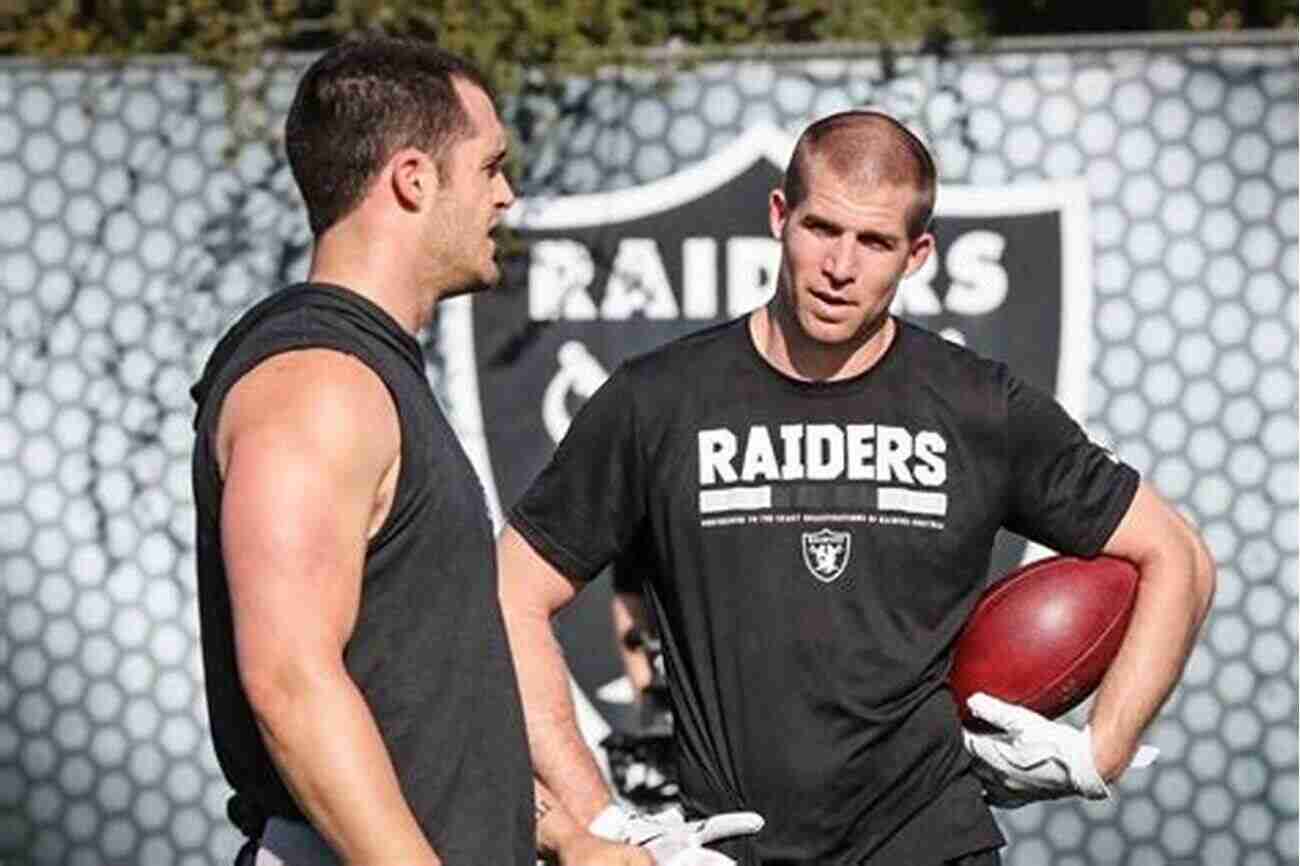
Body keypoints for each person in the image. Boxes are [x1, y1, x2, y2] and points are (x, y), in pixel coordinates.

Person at [497, 109, 1216, 865]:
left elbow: (1178, 557)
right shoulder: (658, 401)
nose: (841, 267)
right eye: (821, 229)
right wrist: (604, 824)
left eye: (876, 242)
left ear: (917, 254)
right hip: (731, 850)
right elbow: (512, 591)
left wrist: (1102, 751)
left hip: (932, 844)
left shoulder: (979, 405)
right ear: (780, 216)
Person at [191, 36, 652, 866]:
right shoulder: (318, 385)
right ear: (412, 178)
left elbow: (417, 695)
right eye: (489, 167)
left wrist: (560, 836)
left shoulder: (373, 372)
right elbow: (292, 683)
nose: (506, 196)